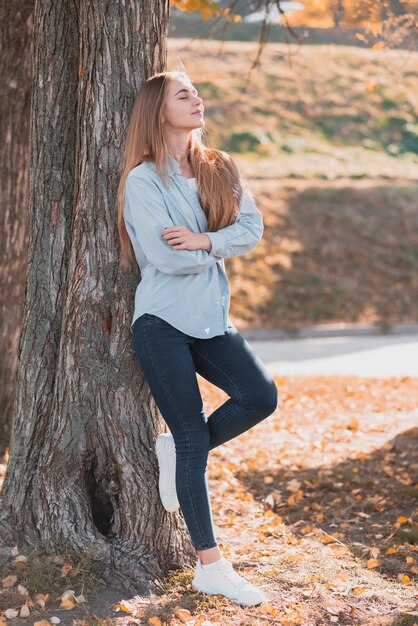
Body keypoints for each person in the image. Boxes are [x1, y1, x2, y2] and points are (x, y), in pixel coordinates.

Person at [116, 70, 278, 607]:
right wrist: (211, 247)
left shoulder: (220, 167)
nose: (196, 98)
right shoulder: (143, 180)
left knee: (260, 396)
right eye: (182, 94)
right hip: (161, 321)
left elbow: (251, 230)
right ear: (157, 110)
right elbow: (161, 257)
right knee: (190, 435)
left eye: (196, 92)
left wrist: (204, 240)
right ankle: (211, 566)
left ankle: (180, 449)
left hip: (211, 318)